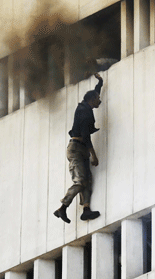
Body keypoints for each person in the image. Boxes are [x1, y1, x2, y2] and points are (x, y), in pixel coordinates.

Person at [54, 73, 103, 224]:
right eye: (97, 99)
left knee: (87, 180)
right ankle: (62, 207)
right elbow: (86, 136)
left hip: (81, 149)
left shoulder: (86, 106)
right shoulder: (84, 112)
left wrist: (100, 83)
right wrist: (93, 155)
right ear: (91, 100)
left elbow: (94, 94)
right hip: (76, 149)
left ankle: (86, 210)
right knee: (80, 181)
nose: (99, 101)